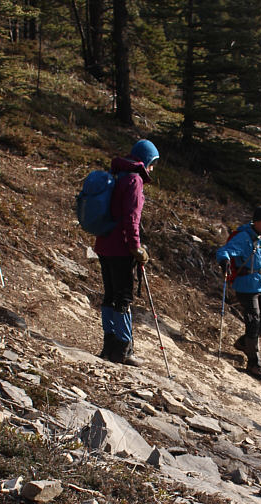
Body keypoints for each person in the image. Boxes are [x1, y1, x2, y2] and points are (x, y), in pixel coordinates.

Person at [95, 139, 159, 366]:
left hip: (103, 244)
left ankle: (109, 345)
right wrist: (136, 247)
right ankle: (123, 349)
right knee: (123, 298)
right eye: (153, 164)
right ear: (146, 160)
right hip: (121, 247)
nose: (152, 169)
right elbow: (132, 219)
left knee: (110, 295)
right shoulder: (134, 180)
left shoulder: (119, 174)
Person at [216, 206, 261, 381]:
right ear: (256, 221)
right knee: (254, 323)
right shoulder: (244, 237)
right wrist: (224, 261)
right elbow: (224, 251)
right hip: (245, 287)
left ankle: (243, 343)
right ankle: (253, 363)